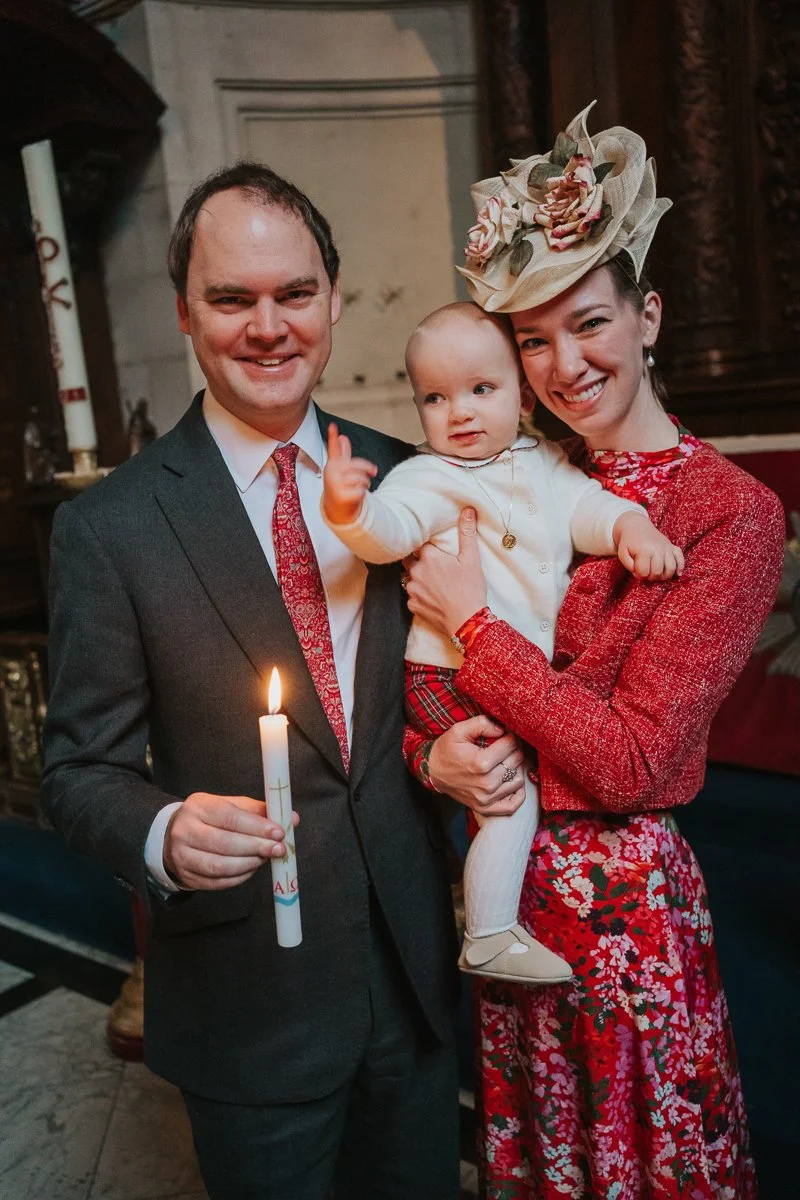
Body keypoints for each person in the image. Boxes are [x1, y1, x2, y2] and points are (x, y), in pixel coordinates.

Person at [40, 162, 501, 1200]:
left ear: (333, 300)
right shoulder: (110, 530)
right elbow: (77, 771)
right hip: (251, 997)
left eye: (293, 294)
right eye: (230, 299)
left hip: (414, 977)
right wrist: (162, 831)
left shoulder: (413, 480)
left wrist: (463, 748)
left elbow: (439, 696)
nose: (267, 326)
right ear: (185, 313)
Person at [403, 103, 783, 1198]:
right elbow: (413, 691)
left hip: (623, 917)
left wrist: (477, 629)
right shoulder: (495, 473)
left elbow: (636, 762)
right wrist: (436, 758)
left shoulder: (727, 513)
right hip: (501, 902)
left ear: (647, 314)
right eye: (531, 340)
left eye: (588, 325)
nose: (562, 365)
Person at [322, 300, 684, 988]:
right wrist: (351, 512)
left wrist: (631, 527)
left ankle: (489, 921)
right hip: (448, 673)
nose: (458, 412)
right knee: (510, 798)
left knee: (512, 795)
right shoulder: (431, 476)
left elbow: (587, 508)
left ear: (520, 392)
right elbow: (392, 530)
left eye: (480, 390)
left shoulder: (541, 460)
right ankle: (488, 934)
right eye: (435, 396)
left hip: (497, 668)